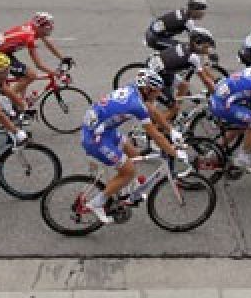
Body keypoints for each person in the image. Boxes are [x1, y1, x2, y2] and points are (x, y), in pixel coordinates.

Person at [80, 69, 187, 224]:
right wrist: (174, 153)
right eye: (156, 92)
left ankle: (126, 190)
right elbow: (155, 134)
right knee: (129, 171)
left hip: (102, 130)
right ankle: (97, 203)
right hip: (95, 138)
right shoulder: (136, 105)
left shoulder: (133, 89)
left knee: (134, 154)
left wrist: (172, 130)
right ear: (146, 89)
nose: (158, 95)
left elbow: (153, 110)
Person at [0, 12, 72, 107]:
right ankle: (6, 99)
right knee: (31, 75)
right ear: (41, 27)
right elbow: (38, 64)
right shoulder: (29, 37)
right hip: (0, 54)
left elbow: (48, 44)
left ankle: (17, 104)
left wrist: (63, 58)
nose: (50, 29)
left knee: (26, 74)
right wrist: (56, 74)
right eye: (48, 27)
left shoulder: (34, 27)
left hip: (5, 51)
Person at [144, 28, 219, 123]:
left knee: (184, 85)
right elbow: (206, 81)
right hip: (155, 76)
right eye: (206, 47)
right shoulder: (193, 57)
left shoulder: (186, 46)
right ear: (197, 43)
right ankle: (155, 129)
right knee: (173, 107)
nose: (208, 50)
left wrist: (216, 80)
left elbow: (202, 69)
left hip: (160, 69)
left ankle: (174, 113)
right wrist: (217, 94)